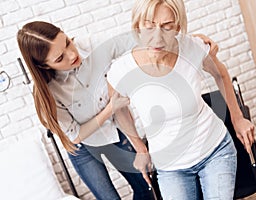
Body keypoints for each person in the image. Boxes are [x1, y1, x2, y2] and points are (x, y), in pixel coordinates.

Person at [107, 0, 255, 199]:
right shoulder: (121, 70)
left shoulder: (192, 47)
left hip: (215, 151)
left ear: (177, 26)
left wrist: (237, 119)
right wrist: (140, 148)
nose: (157, 37)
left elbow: (221, 75)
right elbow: (119, 109)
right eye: (149, 26)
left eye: (167, 27)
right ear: (138, 26)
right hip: (170, 168)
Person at [16, 21, 155, 200]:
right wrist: (111, 108)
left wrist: (186, 41)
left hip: (111, 131)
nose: (72, 54)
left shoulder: (90, 45)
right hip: (81, 147)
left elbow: (133, 39)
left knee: (146, 187)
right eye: (60, 58)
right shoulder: (47, 92)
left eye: (67, 42)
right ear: (45, 66)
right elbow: (75, 135)